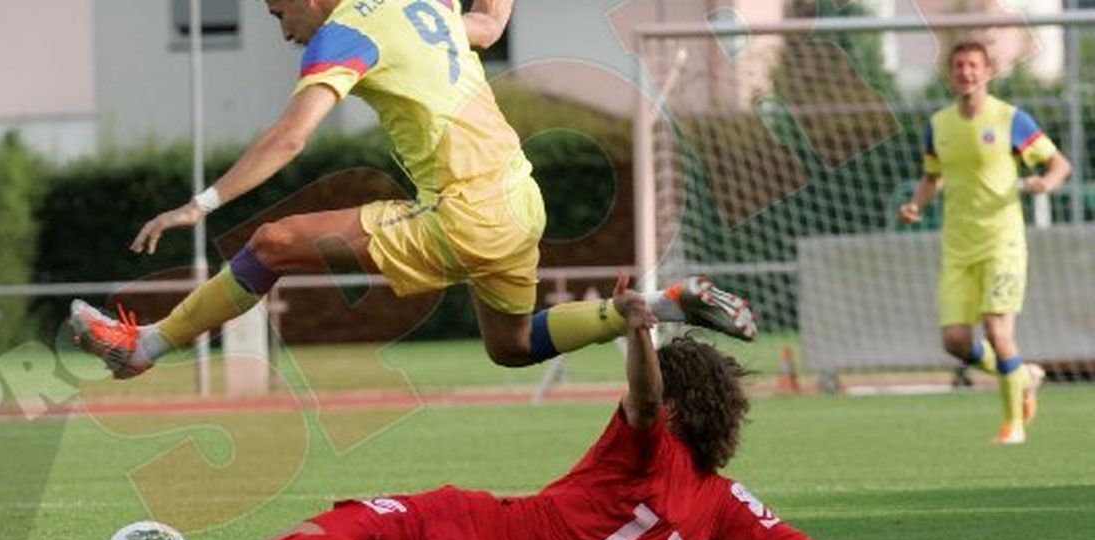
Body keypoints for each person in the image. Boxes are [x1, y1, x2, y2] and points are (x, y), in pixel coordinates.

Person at [27, 277, 1000, 540]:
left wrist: (630, 325)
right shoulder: (722, 512)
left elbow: (645, 392)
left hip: (465, 527)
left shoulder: (643, 444)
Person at [68, 0, 756, 381]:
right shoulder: (415, 3)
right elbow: (486, 26)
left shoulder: (342, 34)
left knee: (270, 242)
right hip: (521, 200)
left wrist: (202, 202)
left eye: (283, 15)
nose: (285, 33)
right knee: (510, 347)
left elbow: (290, 138)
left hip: (463, 210)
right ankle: (657, 305)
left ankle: (145, 348)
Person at [898, 40, 1070, 445]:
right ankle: (1023, 375)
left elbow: (1059, 163)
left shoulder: (1011, 119)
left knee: (997, 330)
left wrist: (1047, 181)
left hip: (1002, 243)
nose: (966, 73)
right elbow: (931, 178)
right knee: (955, 342)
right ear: (950, 73)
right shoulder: (938, 125)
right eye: (958, 66)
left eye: (973, 65)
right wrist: (915, 205)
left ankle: (1014, 426)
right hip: (958, 247)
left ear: (988, 71)